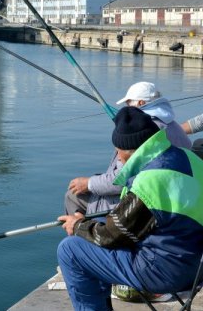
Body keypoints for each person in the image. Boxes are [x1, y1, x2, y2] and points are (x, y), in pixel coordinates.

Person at [57, 107, 203, 311]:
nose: (117, 157)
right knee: (96, 234)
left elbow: (111, 237)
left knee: (70, 249)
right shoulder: (190, 158)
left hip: (166, 271)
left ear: (127, 150)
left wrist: (78, 224)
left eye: (117, 151)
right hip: (197, 261)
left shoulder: (151, 179)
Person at [64, 81, 191, 216]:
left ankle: (86, 232)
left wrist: (89, 183)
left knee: (72, 196)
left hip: (144, 202)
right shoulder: (172, 124)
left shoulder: (144, 132)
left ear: (141, 103)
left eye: (129, 103)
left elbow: (122, 179)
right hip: (173, 195)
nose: (126, 109)